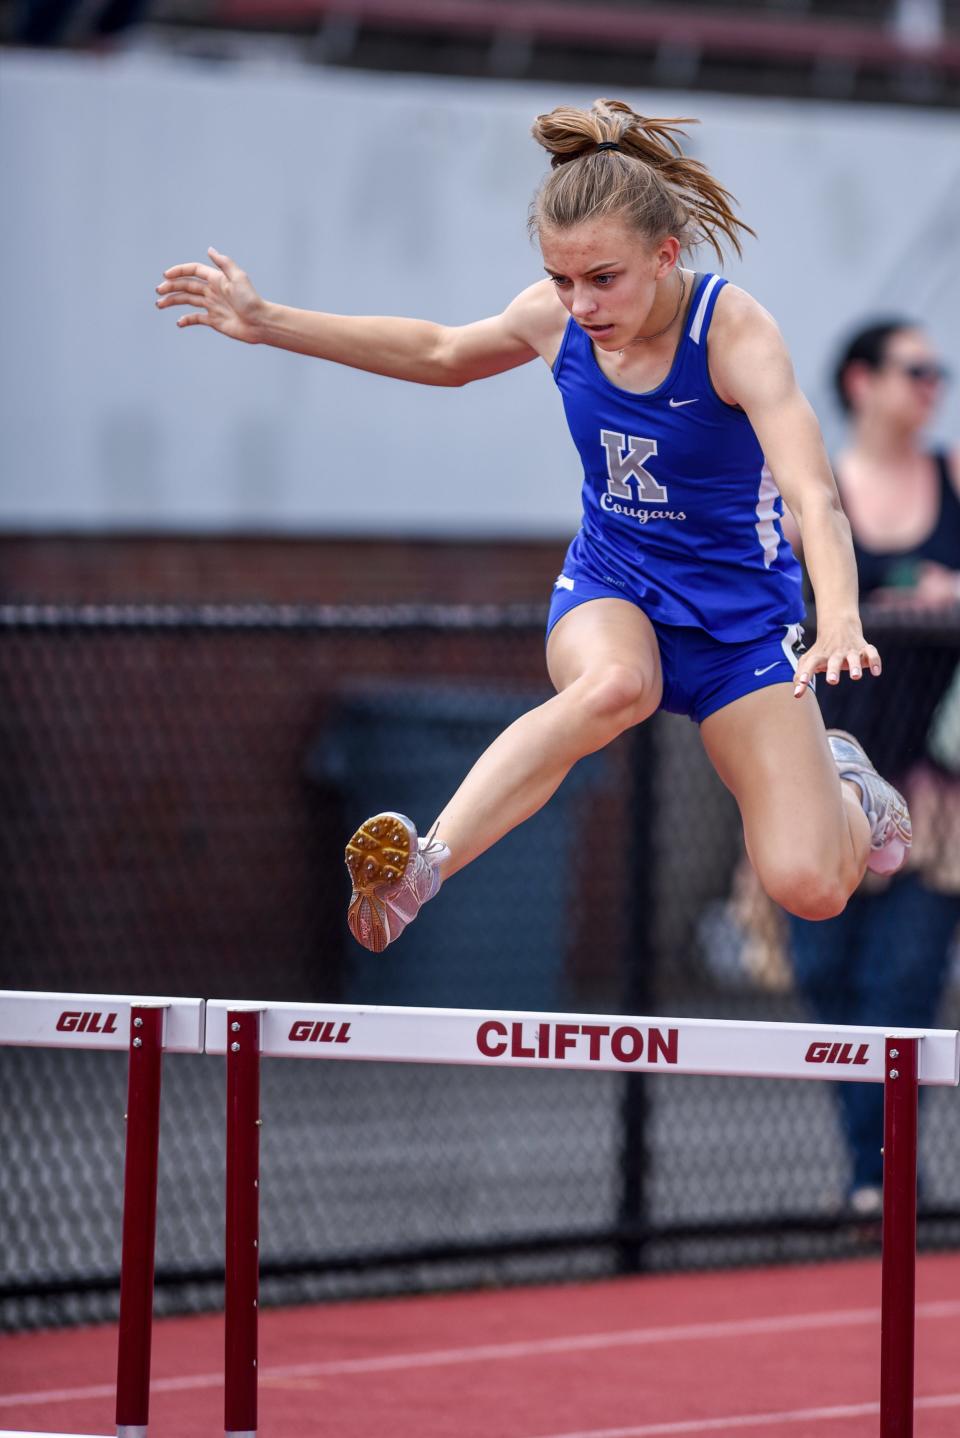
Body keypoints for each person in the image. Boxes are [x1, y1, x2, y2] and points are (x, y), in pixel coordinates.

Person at [157, 97, 912, 956]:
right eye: (561, 280)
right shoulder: (558, 320)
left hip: (739, 629)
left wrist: (841, 617)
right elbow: (441, 353)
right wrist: (267, 323)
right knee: (613, 688)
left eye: (603, 280)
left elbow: (815, 493)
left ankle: (850, 782)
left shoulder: (732, 333)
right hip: (613, 587)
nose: (580, 305)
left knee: (810, 887)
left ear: (665, 257)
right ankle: (424, 866)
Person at [786, 318, 960, 1215]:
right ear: (861, 380)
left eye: (940, 372)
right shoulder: (811, 493)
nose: (933, 386)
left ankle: (883, 1183)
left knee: (904, 983)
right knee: (826, 976)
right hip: (819, 778)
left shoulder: (953, 477)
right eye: (916, 370)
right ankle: (870, 1173)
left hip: (933, 795)